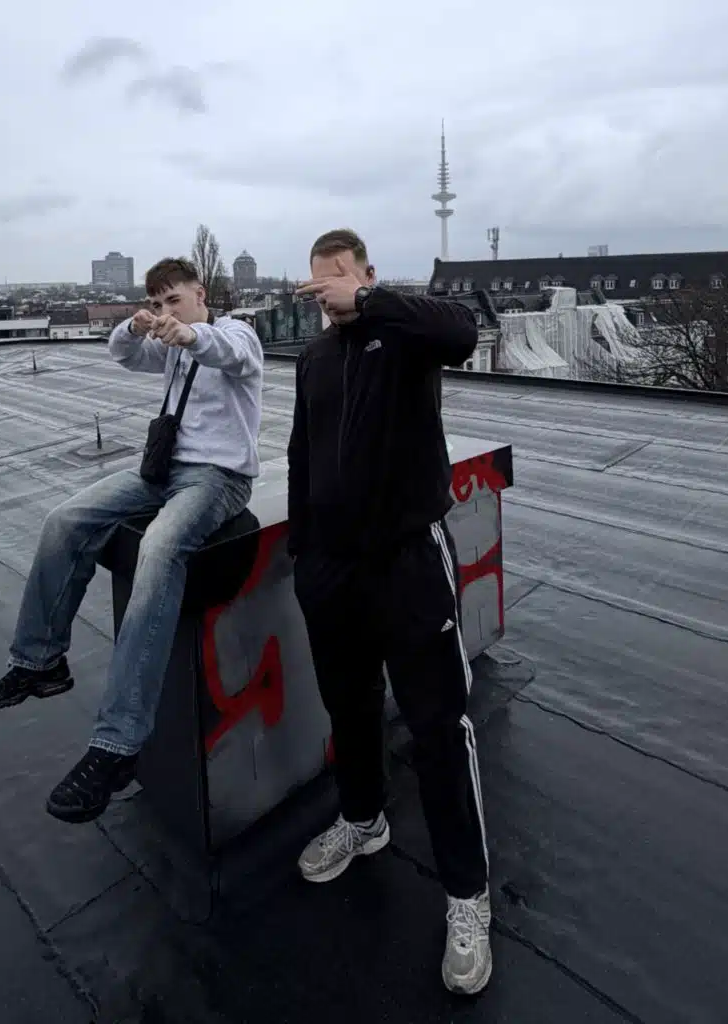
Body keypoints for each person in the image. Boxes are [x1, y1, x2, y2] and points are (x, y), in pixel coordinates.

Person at [0, 257, 263, 824]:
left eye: (174, 299)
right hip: (163, 470)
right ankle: (39, 661)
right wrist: (135, 326)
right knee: (65, 519)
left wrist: (190, 334)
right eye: (157, 303)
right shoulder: (170, 346)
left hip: (218, 478)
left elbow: (232, 353)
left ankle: (118, 743)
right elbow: (123, 353)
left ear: (200, 294)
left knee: (160, 548)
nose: (166, 311)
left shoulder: (235, 332)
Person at [287, 229, 491, 996]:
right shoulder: (314, 359)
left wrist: (371, 302)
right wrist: (305, 555)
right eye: (321, 284)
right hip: (333, 570)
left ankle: (467, 895)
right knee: (350, 707)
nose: (330, 293)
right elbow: (302, 456)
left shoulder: (405, 334)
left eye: (341, 278)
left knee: (438, 728)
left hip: (407, 562)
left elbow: (464, 330)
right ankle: (364, 820)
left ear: (367, 274)